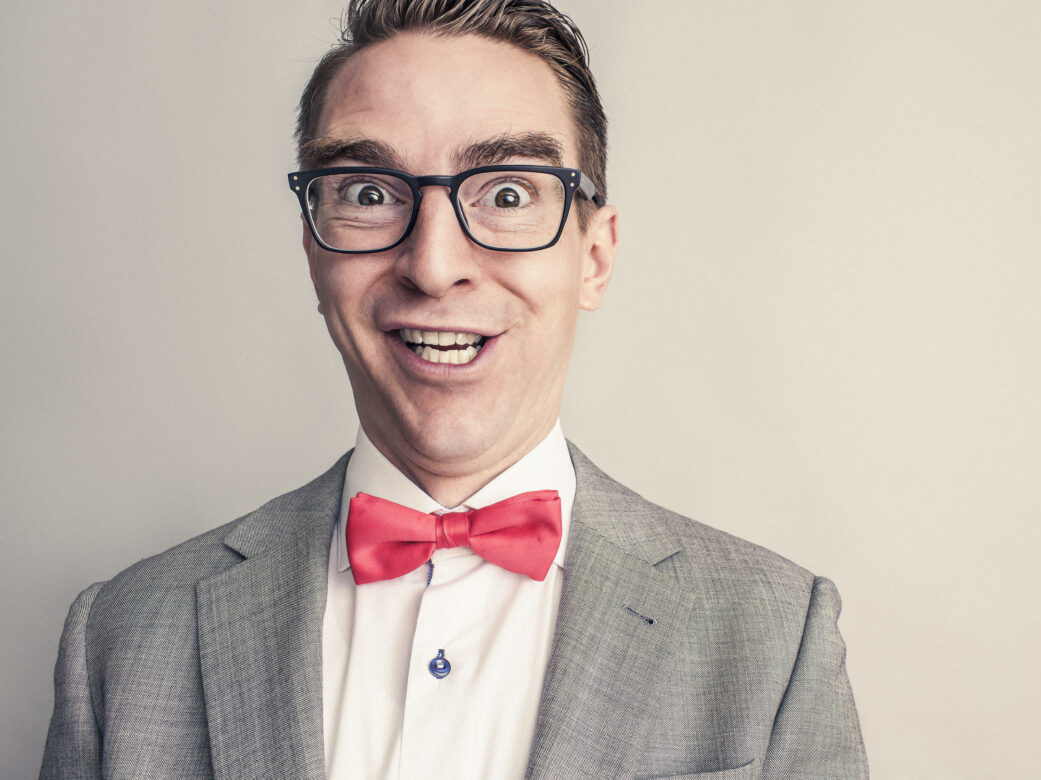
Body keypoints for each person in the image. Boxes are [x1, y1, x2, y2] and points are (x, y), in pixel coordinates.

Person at [39, 1, 867, 777]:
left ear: (594, 257)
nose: (434, 266)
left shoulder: (775, 638)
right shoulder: (121, 638)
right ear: (313, 251)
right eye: (369, 194)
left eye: (507, 193)